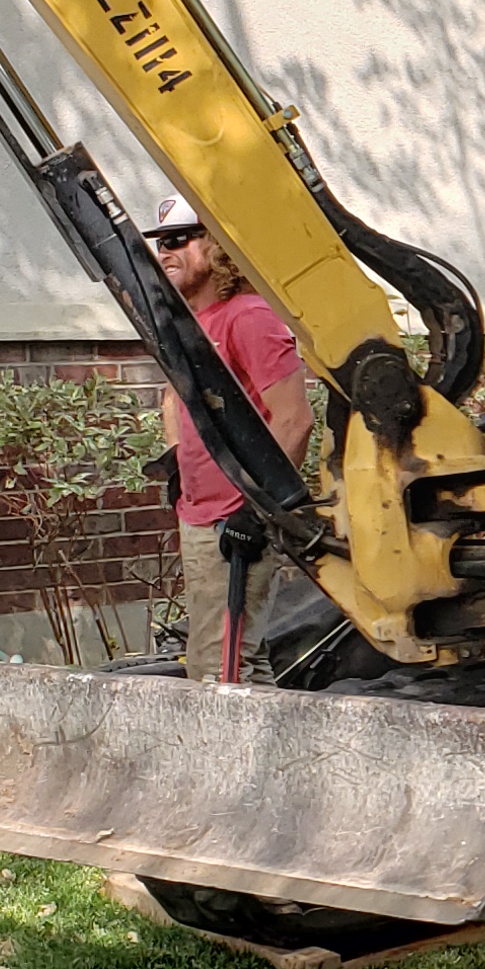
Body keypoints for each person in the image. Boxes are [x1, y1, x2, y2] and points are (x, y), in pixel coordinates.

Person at [144, 194, 314, 680]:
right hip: (199, 515)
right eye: (160, 243)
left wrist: (258, 509)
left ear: (217, 245)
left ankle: (252, 757)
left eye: (177, 240)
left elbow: (293, 417)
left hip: (235, 522)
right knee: (212, 661)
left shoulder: (249, 318)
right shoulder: (193, 324)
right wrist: (178, 458)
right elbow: (175, 398)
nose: (166, 253)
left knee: (229, 667)